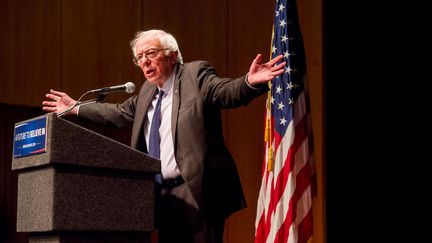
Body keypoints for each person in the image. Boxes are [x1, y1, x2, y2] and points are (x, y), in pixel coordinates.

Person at [42, 29, 285, 243]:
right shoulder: (148, 92)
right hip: (163, 196)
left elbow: (224, 91)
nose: (143, 61)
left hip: (196, 192)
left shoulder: (194, 74)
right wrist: (75, 107)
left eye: (150, 53)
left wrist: (249, 82)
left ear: (171, 54)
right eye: (139, 57)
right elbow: (118, 113)